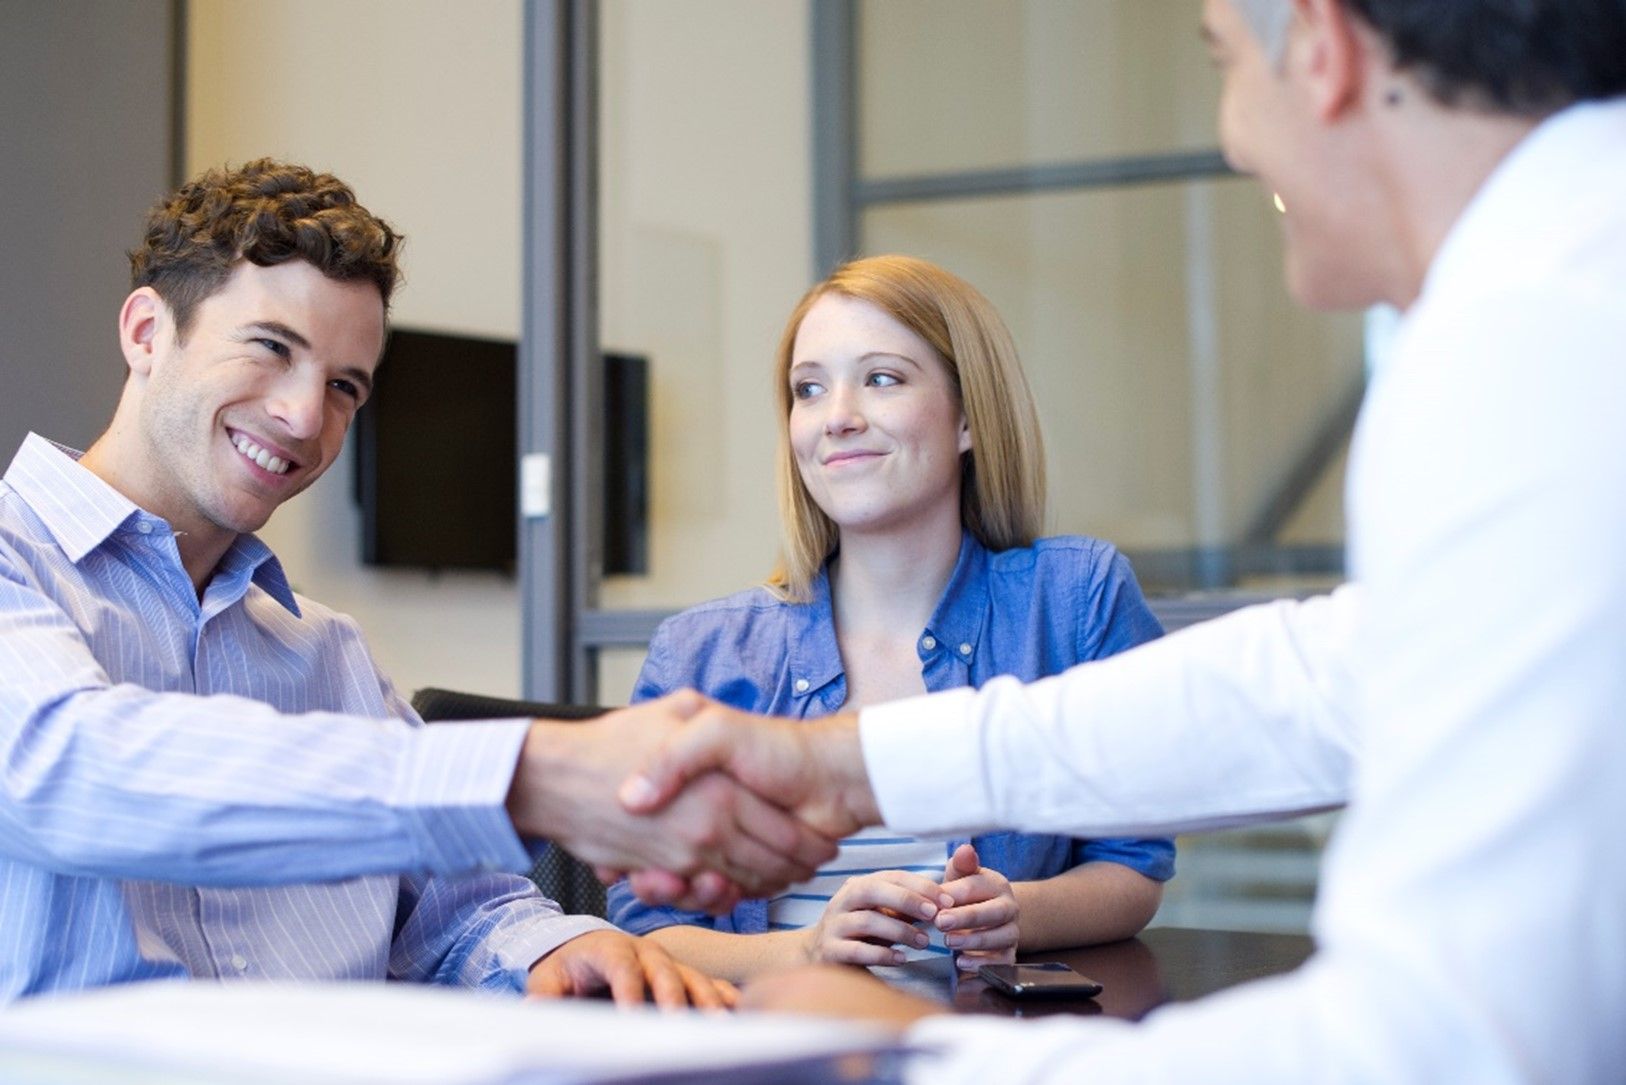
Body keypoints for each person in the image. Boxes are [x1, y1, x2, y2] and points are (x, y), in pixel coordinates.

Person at [614, 0, 1626, 1079]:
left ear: (1323, 53)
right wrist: (853, 764)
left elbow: (1450, 1039)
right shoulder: (1554, 303)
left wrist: (911, 1056)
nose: (1235, 138)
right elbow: (1321, 677)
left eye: (1225, 65)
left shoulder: (1536, 343)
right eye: (809, 389)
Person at [0, 158, 834, 1007]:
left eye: (342, 388)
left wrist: (570, 947)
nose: (302, 417)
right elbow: (65, 767)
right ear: (146, 331)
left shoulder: (328, 653)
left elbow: (465, 913)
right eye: (270, 348)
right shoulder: (10, 558)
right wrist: (528, 772)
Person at [607, 256, 1173, 981]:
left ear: (969, 417)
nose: (837, 416)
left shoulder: (1074, 598)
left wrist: (1019, 909)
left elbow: (1133, 869)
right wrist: (802, 949)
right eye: (808, 389)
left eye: (881, 378)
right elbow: (646, 929)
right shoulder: (702, 651)